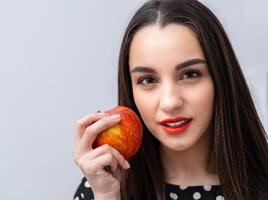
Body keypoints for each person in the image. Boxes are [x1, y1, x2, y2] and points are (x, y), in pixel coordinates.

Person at [72, 0, 268, 199]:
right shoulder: (101, 187)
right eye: (148, 80)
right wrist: (107, 195)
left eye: (190, 74)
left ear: (221, 78)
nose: (170, 102)